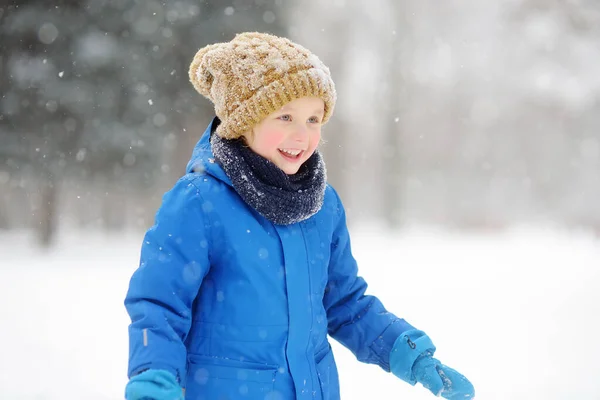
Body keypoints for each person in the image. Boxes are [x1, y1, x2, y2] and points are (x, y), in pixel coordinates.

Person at [123, 32, 475, 400]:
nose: (301, 134)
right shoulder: (199, 202)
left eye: (313, 119)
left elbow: (344, 303)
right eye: (285, 116)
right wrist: (155, 374)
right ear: (243, 121)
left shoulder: (322, 205)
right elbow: (160, 302)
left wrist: (410, 355)